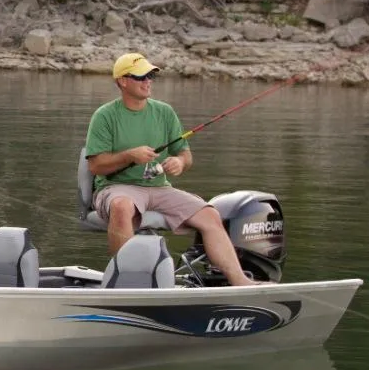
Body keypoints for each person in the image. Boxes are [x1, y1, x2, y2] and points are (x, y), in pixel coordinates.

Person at [84, 52, 259, 286]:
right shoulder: (105, 116)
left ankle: (240, 282)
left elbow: (185, 155)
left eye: (151, 76)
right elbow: (95, 166)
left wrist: (179, 162)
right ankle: (125, 282)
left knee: (210, 214)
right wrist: (129, 155)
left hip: (159, 188)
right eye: (141, 76)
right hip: (116, 187)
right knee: (122, 206)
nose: (148, 81)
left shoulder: (164, 112)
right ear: (122, 81)